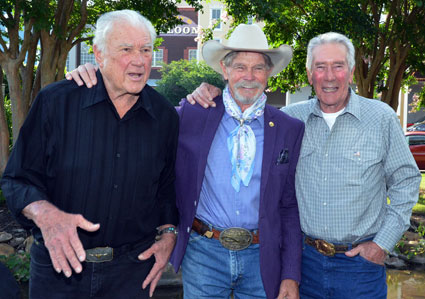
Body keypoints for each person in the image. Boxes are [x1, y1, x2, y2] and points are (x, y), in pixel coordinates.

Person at [67, 24, 305, 299]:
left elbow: (288, 207)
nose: (248, 77)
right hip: (204, 253)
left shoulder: (289, 128)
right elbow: (138, 105)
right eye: (239, 67)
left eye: (258, 68)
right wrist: (94, 78)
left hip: (262, 256)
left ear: (269, 73)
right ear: (224, 71)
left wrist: (290, 275)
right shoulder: (193, 113)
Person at [185, 32, 422, 298]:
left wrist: (382, 244)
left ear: (352, 72)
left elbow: (406, 182)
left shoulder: (380, 118)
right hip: (304, 261)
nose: (329, 76)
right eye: (320, 67)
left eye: (338, 66)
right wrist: (208, 92)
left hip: (359, 267)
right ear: (310, 75)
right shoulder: (289, 120)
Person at [1, 10, 179, 299]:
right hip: (60, 269)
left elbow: (167, 188)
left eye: (146, 50)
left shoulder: (164, 116)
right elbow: (16, 180)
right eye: (126, 49)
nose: (139, 60)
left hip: (133, 273)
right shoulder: (56, 103)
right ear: (98, 54)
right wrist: (46, 214)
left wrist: (169, 234)